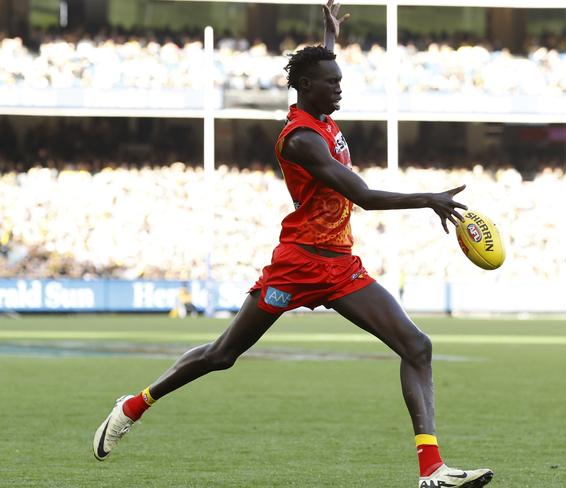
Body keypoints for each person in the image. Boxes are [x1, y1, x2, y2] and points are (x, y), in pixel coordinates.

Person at [92, 3, 493, 487]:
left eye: (340, 80)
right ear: (306, 88)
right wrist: (427, 198)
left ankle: (432, 471)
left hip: (341, 267)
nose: (340, 88)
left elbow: (320, 64)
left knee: (416, 346)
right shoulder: (301, 138)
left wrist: (329, 34)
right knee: (221, 355)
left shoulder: (318, 109)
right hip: (298, 265)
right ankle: (134, 406)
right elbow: (361, 195)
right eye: (332, 83)